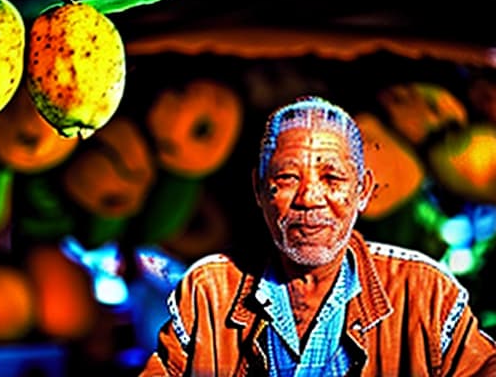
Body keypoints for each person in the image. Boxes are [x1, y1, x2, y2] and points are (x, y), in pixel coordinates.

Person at [138, 96, 496, 376]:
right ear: (259, 190)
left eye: (332, 179)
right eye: (288, 178)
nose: (309, 199)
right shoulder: (209, 290)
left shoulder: (425, 292)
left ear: (363, 192)